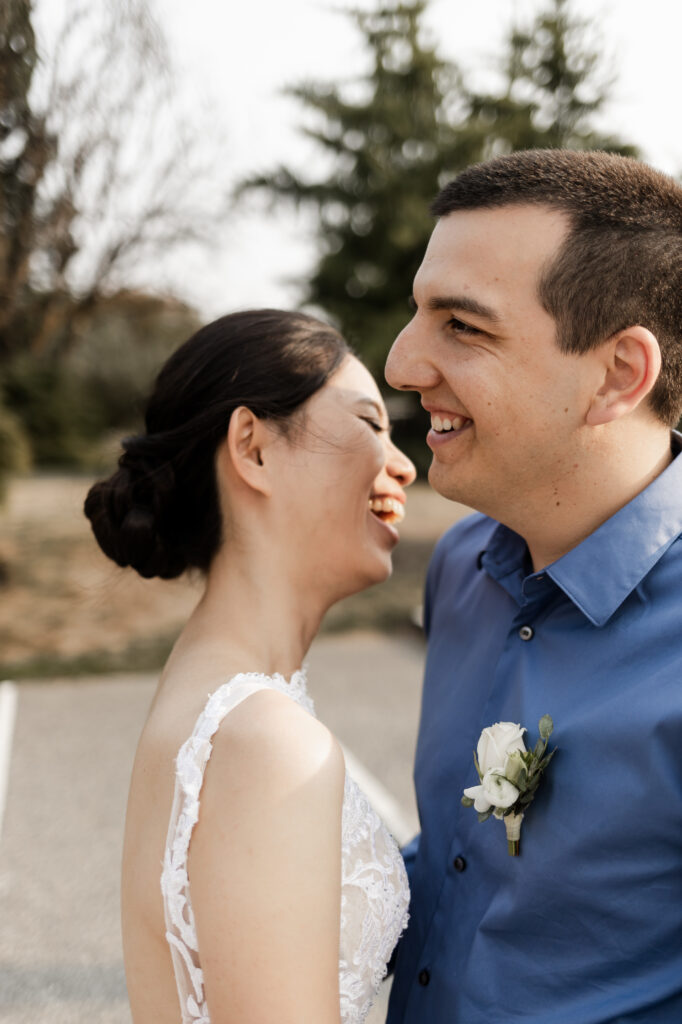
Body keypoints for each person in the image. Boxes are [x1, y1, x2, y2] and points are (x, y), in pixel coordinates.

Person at [384, 149, 682, 1023]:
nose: (402, 364)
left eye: (462, 326)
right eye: (416, 314)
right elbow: (458, 864)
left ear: (618, 375)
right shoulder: (461, 567)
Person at [84, 309, 416, 1024]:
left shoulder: (213, 693)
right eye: (369, 423)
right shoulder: (262, 739)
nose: (404, 463)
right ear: (252, 448)